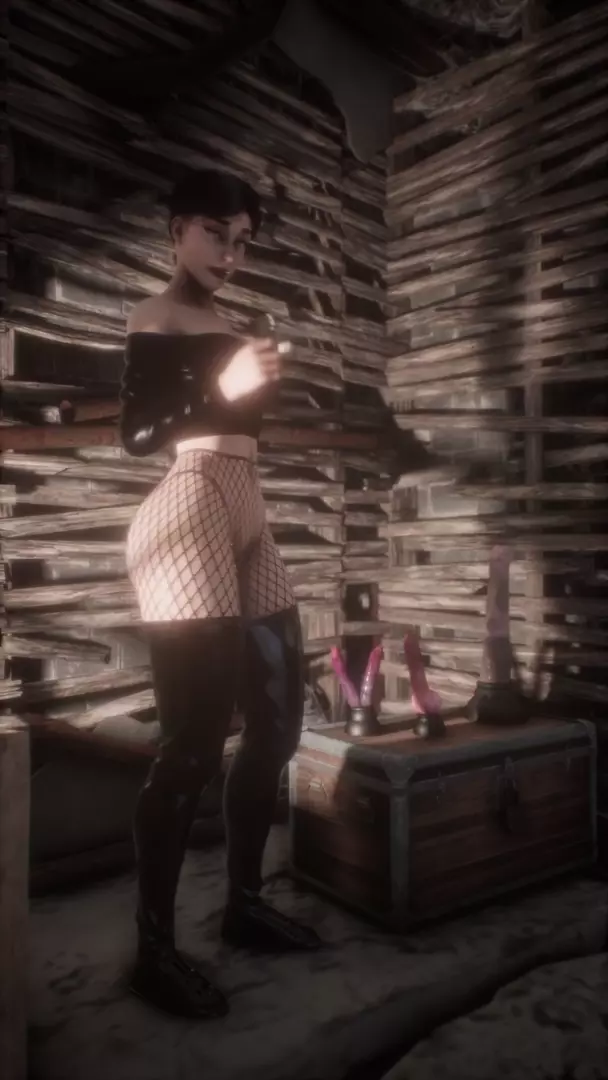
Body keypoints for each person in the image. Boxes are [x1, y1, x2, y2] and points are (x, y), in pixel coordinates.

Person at [119, 168, 321, 1021]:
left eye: (242, 241)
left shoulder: (236, 328)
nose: (230, 254)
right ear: (176, 230)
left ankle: (242, 904)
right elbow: (138, 435)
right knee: (193, 746)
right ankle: (152, 953)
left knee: (278, 722)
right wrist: (220, 387)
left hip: (246, 509)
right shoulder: (155, 316)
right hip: (188, 507)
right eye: (214, 233)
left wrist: (241, 383)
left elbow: (242, 426)